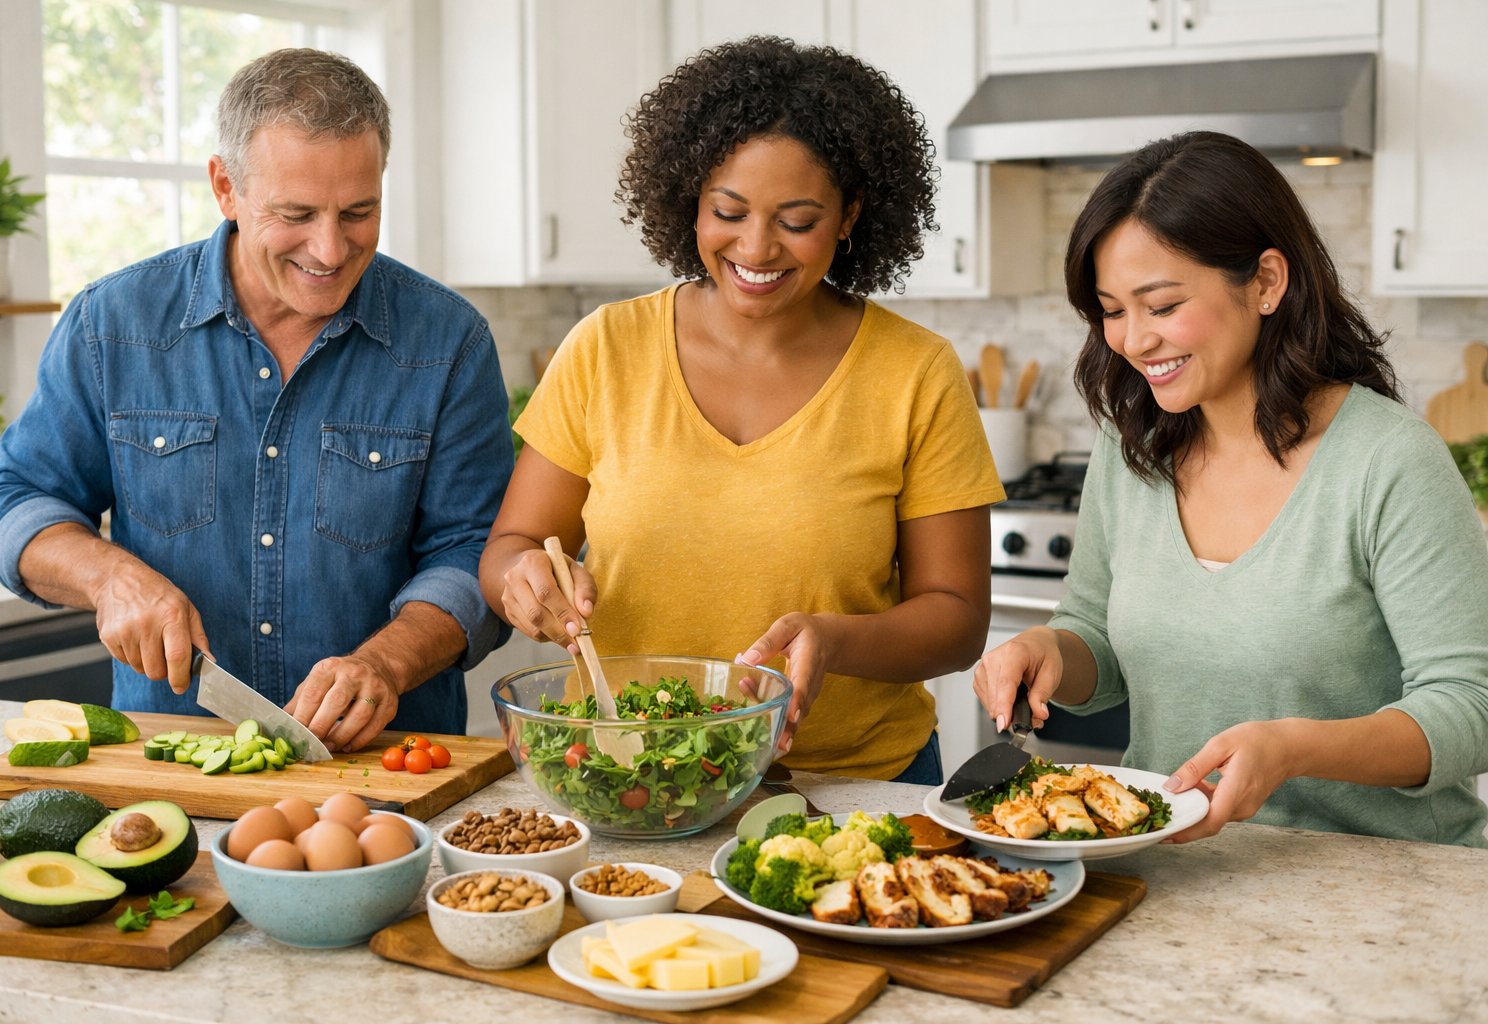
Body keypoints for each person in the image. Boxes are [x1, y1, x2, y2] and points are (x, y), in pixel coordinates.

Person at [480, 35, 1004, 785]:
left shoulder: (915, 372)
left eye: (797, 221)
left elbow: (956, 618)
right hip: (628, 775)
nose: (756, 248)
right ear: (690, 196)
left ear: (851, 215)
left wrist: (836, 641)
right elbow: (516, 542)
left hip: (857, 783)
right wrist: (521, 580)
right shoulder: (606, 347)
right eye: (728, 210)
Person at [0, 48, 514, 752]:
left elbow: (475, 549)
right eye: (296, 213)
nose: (328, 249)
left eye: (358, 211)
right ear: (225, 187)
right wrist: (109, 577)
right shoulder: (115, 324)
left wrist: (386, 660)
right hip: (172, 762)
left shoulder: (449, 342)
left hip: (387, 767)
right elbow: (12, 499)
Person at [974, 131, 1488, 845]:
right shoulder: (1132, 449)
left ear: (1267, 282)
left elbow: (1471, 708)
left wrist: (1295, 750)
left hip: (1381, 884)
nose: (1132, 340)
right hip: (1176, 871)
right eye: (1112, 309)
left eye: (1160, 305)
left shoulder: (1389, 461)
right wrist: (1051, 652)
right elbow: (1097, 640)